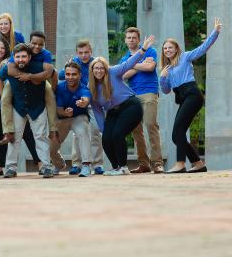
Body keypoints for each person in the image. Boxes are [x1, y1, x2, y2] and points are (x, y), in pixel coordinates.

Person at [160, 18, 222, 174]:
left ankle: (180, 164)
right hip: (183, 98)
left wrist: (215, 32)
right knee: (176, 136)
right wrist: (162, 78)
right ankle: (198, 163)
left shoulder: (185, 57)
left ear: (176, 49)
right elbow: (166, 91)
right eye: (165, 48)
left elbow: (203, 48)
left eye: (170, 47)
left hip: (193, 95)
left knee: (179, 130)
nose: (167, 50)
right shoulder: (167, 69)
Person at [88, 35, 155, 176]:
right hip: (113, 112)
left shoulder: (113, 72)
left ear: (105, 69)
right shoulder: (91, 87)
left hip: (130, 106)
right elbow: (97, 110)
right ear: (92, 70)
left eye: (101, 68)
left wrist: (143, 49)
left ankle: (123, 167)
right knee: (106, 138)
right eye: (96, 68)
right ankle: (116, 167)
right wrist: (104, 130)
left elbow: (128, 64)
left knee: (118, 134)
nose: (99, 71)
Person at [0, 43, 55, 178]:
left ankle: (46, 167)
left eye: (23, 56)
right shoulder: (8, 68)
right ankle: (10, 168)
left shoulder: (39, 66)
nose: (20, 59)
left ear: (29, 57)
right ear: (13, 57)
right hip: (18, 108)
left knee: (41, 137)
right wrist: (3, 95)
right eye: (17, 57)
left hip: (37, 107)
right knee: (14, 138)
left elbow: (52, 72)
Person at [0, 38, 41, 176]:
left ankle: (40, 163)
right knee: (4, 134)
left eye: (2, 48)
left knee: (27, 134)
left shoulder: (11, 62)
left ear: (7, 51)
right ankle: (0, 167)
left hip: (18, 103)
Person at [120, 27, 164, 174]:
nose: (131, 40)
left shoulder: (150, 51)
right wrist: (141, 65)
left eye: (134, 37)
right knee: (136, 130)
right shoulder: (124, 58)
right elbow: (123, 75)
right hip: (132, 95)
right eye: (129, 37)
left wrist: (131, 64)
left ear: (139, 40)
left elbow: (150, 67)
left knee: (151, 125)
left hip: (149, 92)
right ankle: (144, 164)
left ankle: (157, 163)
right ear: (125, 40)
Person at [58, 40, 105, 175]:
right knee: (78, 133)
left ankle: (97, 164)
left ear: (91, 52)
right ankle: (77, 164)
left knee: (96, 132)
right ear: (77, 53)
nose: (83, 55)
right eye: (80, 53)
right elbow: (61, 75)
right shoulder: (75, 63)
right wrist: (68, 65)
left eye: (86, 52)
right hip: (77, 101)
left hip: (94, 101)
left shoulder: (96, 63)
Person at [51, 62, 93, 177]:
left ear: (80, 75)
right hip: (62, 119)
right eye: (68, 74)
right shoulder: (59, 88)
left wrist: (83, 102)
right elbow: (58, 110)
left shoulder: (83, 88)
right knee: (51, 147)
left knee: (82, 132)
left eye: (74, 74)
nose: (70, 77)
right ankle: (59, 164)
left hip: (79, 117)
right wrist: (65, 113)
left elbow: (86, 99)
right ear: (64, 75)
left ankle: (86, 165)